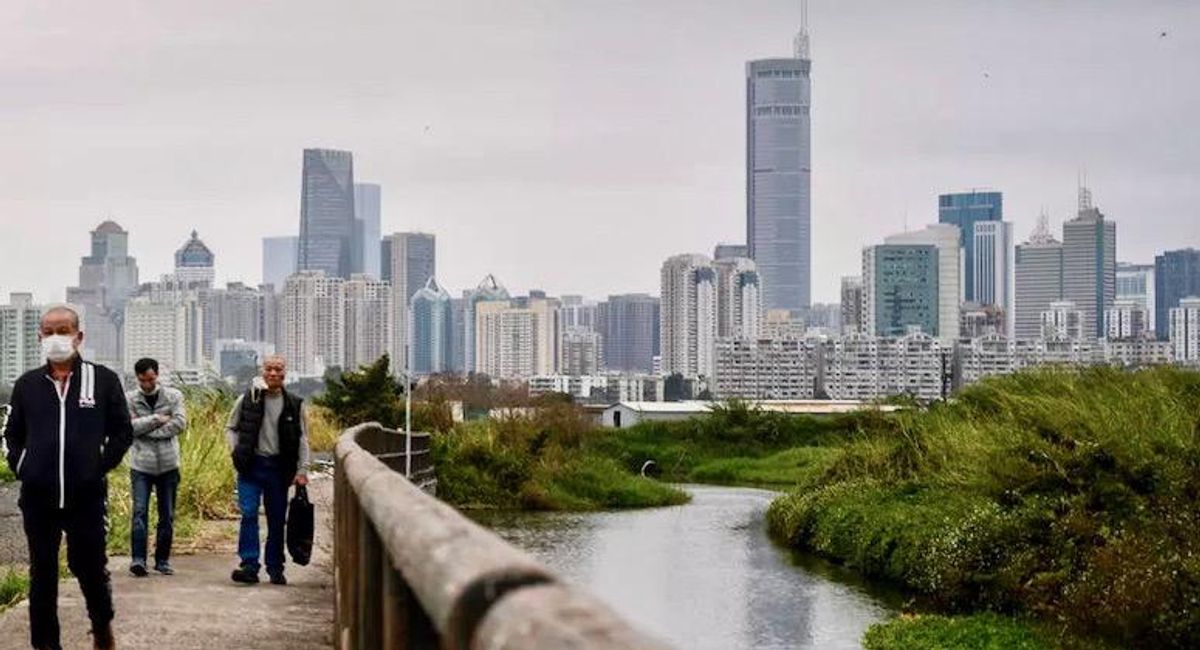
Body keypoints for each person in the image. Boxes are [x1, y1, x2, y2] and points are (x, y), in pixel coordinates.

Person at [3, 306, 132, 650]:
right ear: (40, 338)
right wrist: (23, 466)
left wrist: (98, 467)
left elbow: (122, 431)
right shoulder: (28, 385)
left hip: (85, 498)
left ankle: (102, 627)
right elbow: (11, 434)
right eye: (49, 331)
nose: (56, 337)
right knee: (42, 574)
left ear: (79, 336)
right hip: (38, 497)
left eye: (64, 330)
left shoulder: (102, 380)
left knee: (88, 566)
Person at [224, 355, 309, 586]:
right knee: (249, 513)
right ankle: (250, 565)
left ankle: (275, 567)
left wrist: (302, 470)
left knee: (276, 520)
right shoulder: (248, 399)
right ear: (263, 371)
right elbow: (231, 427)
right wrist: (236, 452)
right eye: (269, 369)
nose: (273, 373)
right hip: (251, 466)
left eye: (278, 369)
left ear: (284, 373)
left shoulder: (294, 403)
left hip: (279, 469)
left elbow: (302, 439)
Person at [126, 357, 187, 577]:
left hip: (169, 464)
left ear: (157, 375)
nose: (147, 385)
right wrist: (155, 419)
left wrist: (146, 429)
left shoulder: (174, 396)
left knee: (167, 515)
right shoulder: (130, 399)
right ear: (137, 378)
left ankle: (162, 560)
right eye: (142, 380)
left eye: (150, 379)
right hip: (141, 465)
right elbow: (127, 428)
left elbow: (180, 423)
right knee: (139, 512)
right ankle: (138, 559)